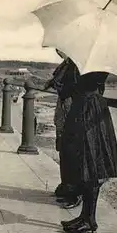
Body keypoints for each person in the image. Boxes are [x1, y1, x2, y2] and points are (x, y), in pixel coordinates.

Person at [59, 69, 117, 233]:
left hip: (86, 112)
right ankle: (86, 216)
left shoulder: (86, 66)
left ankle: (88, 219)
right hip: (93, 109)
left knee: (90, 165)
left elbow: (67, 90)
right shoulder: (99, 64)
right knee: (90, 165)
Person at [44, 49, 80, 208]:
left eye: (60, 49)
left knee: (72, 150)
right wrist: (52, 82)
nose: (58, 51)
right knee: (64, 148)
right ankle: (66, 187)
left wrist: (56, 83)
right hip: (64, 109)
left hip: (71, 111)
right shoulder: (67, 64)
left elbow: (70, 87)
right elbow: (58, 81)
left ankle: (74, 192)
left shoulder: (76, 65)